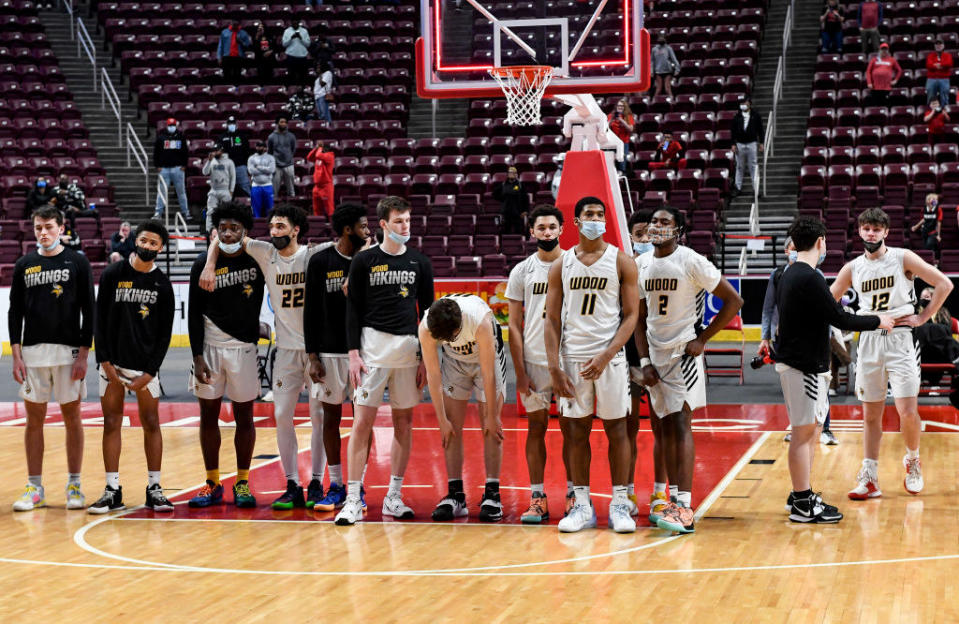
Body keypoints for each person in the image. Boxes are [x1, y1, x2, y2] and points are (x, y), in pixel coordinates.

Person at [200, 204, 329, 510]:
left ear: (296, 230)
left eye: (281, 227)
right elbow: (223, 237)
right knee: (282, 417)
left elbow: (347, 249)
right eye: (272, 227)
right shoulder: (265, 253)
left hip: (315, 350)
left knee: (318, 418)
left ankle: (316, 482)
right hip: (284, 351)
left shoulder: (313, 255)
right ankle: (292, 484)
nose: (274, 232)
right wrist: (209, 263)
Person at [830, 208, 953, 500]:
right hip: (870, 340)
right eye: (866, 228)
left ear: (886, 232)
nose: (870, 233)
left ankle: (913, 461)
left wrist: (923, 318)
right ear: (859, 232)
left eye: (876, 229)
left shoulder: (902, 257)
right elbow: (828, 300)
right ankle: (870, 477)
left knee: (907, 412)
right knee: (870, 415)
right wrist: (848, 319)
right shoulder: (853, 268)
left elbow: (944, 284)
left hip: (900, 340)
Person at [634, 207, 743, 534]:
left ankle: (684, 505)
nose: (657, 226)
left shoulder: (691, 260)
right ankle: (665, 498)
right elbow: (638, 319)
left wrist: (703, 339)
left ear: (678, 230)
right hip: (655, 355)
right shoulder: (640, 265)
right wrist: (644, 362)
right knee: (662, 427)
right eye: (654, 221)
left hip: (683, 353)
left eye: (665, 222)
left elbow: (734, 301)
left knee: (681, 424)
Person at [776, 217, 892, 524]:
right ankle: (802, 503)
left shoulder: (789, 273)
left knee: (809, 431)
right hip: (803, 366)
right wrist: (878, 320)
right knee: (803, 434)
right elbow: (840, 318)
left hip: (798, 363)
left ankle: (800, 493)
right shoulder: (809, 276)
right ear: (819, 242)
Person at [334, 196, 435, 526]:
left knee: (404, 425)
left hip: (408, 353)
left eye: (408, 220)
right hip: (371, 352)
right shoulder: (364, 262)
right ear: (383, 224)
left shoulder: (421, 262)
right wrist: (352, 354)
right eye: (399, 221)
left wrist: (424, 358)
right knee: (361, 425)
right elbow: (351, 310)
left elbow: (428, 316)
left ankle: (394, 495)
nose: (405, 226)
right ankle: (352, 498)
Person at [543, 196, 640, 533]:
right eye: (589, 214)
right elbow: (551, 319)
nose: (596, 219)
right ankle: (582, 505)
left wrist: (607, 355)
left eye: (601, 214)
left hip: (609, 360)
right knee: (575, 432)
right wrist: (554, 367)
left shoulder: (622, 261)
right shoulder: (561, 264)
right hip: (572, 360)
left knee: (618, 429)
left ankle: (620, 503)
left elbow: (631, 317)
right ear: (576, 221)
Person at [8, 205, 95, 511]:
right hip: (32, 353)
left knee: (73, 418)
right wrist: (16, 355)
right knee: (34, 421)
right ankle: (35, 487)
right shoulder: (24, 264)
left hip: (69, 353)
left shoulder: (77, 261)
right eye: (37, 228)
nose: (42, 233)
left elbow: (90, 310)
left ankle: (74, 484)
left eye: (48, 227)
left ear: (61, 228)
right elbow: (14, 312)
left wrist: (84, 353)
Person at [88, 220, 175, 514]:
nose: (148, 246)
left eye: (155, 244)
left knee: (151, 423)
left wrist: (151, 372)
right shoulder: (113, 273)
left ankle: (155, 488)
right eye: (145, 241)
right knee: (111, 423)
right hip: (112, 364)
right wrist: (105, 361)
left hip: (145, 368)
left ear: (161, 249)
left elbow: (165, 333)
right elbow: (99, 321)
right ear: (136, 240)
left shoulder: (163, 284)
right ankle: (112, 489)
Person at [187, 202, 264, 509]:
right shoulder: (200, 266)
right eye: (223, 228)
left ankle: (242, 481)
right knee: (208, 415)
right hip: (210, 347)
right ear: (215, 231)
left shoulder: (258, 260)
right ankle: (212, 481)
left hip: (243, 347)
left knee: (244, 416)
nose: (229, 232)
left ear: (245, 231)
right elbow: (193, 314)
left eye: (235, 227)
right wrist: (196, 356)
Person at [506, 204, 577, 524]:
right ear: (531, 231)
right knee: (536, 428)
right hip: (534, 362)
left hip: (569, 360)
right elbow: (515, 326)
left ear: (562, 229)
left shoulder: (576, 265)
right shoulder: (522, 271)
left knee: (572, 429)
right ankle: (537, 497)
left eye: (552, 227)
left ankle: (576, 494)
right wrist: (519, 374)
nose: (547, 232)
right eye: (541, 228)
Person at [304, 203, 370, 512]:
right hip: (328, 352)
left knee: (362, 421)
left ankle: (359, 486)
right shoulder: (320, 261)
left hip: (363, 353)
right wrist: (312, 355)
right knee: (330, 419)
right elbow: (311, 311)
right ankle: (336, 483)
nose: (369, 231)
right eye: (363, 226)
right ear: (347, 230)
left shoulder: (371, 260)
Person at [419, 295, 507, 522]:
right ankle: (455, 494)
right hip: (454, 362)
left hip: (485, 358)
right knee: (451, 426)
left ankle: (492, 494)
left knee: (491, 426)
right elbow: (433, 374)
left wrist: (492, 415)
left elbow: (488, 374)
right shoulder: (426, 327)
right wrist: (441, 420)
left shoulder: (480, 321)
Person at [760, 237, 838, 445]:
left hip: (813, 340)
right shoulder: (777, 276)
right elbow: (768, 309)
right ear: (786, 251)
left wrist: (827, 336)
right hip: (784, 339)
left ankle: (825, 429)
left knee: (820, 382)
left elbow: (826, 311)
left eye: (801, 248)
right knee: (793, 389)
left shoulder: (816, 274)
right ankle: (797, 429)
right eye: (794, 248)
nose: (798, 252)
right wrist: (765, 337)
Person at [626, 210, 668, 520]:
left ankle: (658, 493)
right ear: (630, 237)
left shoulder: (666, 266)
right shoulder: (620, 268)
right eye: (639, 234)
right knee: (626, 428)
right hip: (626, 356)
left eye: (648, 232)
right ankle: (625, 492)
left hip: (659, 354)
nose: (645, 238)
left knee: (661, 428)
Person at [153, 117, 190, 221]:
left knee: (181, 192)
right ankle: (158, 213)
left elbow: (185, 152)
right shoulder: (161, 138)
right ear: (167, 126)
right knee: (161, 192)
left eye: (173, 125)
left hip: (178, 168)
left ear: (176, 125)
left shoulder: (181, 137)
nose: (172, 127)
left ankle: (185, 212)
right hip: (164, 169)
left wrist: (184, 165)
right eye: (170, 125)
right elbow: (156, 153)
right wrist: (157, 166)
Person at [731, 97, 764, 198]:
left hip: (752, 144)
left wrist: (761, 143)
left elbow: (760, 130)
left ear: (749, 103)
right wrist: (733, 144)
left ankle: (756, 189)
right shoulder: (737, 116)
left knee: (753, 166)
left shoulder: (756, 115)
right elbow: (733, 131)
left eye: (744, 102)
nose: (743, 104)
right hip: (740, 144)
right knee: (739, 167)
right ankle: (738, 188)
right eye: (741, 103)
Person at [201, 146, 236, 232]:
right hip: (214, 190)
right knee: (210, 212)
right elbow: (204, 172)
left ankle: (227, 230)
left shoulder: (229, 162)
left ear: (221, 151)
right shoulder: (211, 161)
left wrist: (231, 190)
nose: (215, 153)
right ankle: (208, 231)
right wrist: (209, 161)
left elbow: (233, 177)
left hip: (225, 190)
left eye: (217, 151)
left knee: (226, 212)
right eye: (214, 151)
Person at [218, 116, 251, 197]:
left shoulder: (242, 136)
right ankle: (225, 207)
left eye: (233, 123)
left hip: (240, 167)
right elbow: (218, 152)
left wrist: (245, 165)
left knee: (245, 187)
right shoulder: (222, 137)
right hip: (227, 168)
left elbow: (247, 151)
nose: (231, 125)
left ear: (236, 124)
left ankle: (250, 206)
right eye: (230, 123)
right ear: (227, 124)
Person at [492, 166, 529, 236]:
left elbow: (525, 199)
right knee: (505, 232)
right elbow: (494, 194)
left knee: (519, 232)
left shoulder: (520, 185)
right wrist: (503, 199)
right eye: (510, 172)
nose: (512, 174)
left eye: (514, 173)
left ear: (516, 174)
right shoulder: (503, 185)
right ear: (508, 174)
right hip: (506, 212)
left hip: (518, 213)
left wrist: (525, 211)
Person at [268, 117, 296, 199]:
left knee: (291, 191)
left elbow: (293, 149)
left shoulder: (291, 136)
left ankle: (292, 210)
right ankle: (273, 210)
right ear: (277, 123)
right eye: (281, 122)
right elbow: (270, 151)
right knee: (274, 191)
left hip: (289, 165)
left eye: (285, 122)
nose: (283, 124)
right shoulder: (271, 137)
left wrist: (288, 158)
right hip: (276, 166)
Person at [217, 19, 251, 84]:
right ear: (231, 24)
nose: (235, 26)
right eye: (233, 24)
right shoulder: (224, 32)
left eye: (236, 25)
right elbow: (220, 46)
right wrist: (219, 57)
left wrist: (241, 42)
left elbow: (248, 45)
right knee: (226, 76)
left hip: (238, 57)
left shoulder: (243, 33)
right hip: (227, 57)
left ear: (238, 25)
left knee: (237, 77)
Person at [306, 140, 334, 217]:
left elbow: (318, 155)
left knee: (329, 210)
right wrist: (316, 148)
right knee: (317, 210)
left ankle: (333, 227)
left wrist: (320, 148)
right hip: (317, 187)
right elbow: (309, 157)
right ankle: (318, 227)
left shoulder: (330, 156)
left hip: (326, 186)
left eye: (322, 148)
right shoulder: (319, 156)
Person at [247, 141, 275, 219]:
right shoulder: (251, 158)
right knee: (256, 208)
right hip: (256, 185)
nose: (259, 148)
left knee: (269, 208)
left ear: (265, 148)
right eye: (258, 146)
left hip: (267, 185)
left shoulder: (270, 158)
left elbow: (271, 170)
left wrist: (258, 167)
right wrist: (265, 170)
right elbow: (251, 171)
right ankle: (256, 226)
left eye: (261, 146)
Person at [608, 99, 635, 174]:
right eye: (618, 106)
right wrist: (611, 120)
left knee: (622, 164)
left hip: (623, 143)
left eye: (622, 106)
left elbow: (630, 129)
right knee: (611, 163)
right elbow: (605, 128)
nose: (620, 107)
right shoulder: (611, 116)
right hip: (612, 143)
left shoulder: (628, 116)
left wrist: (622, 120)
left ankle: (622, 180)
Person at [281, 19, 311, 86]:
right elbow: (284, 44)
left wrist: (301, 38)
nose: (295, 24)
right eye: (293, 23)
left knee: (303, 77)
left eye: (296, 23)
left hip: (302, 57)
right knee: (291, 76)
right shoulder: (287, 31)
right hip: (291, 57)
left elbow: (308, 44)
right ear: (291, 23)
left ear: (298, 23)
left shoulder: (304, 31)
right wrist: (291, 38)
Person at [650, 34, 680, 98]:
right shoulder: (654, 49)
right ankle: (654, 102)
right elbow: (652, 61)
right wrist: (651, 71)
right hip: (658, 71)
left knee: (667, 88)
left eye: (662, 38)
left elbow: (674, 59)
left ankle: (671, 101)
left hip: (667, 71)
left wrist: (677, 69)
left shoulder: (668, 48)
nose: (661, 39)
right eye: (660, 38)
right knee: (658, 89)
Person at [926, 38, 953, 107]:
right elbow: (929, 65)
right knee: (931, 97)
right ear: (934, 46)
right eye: (936, 44)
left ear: (943, 46)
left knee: (944, 98)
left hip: (944, 79)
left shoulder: (948, 55)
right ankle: (930, 114)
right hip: (931, 79)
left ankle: (944, 114)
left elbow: (948, 64)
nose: (938, 46)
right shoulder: (930, 56)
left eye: (940, 44)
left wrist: (937, 65)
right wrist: (941, 65)